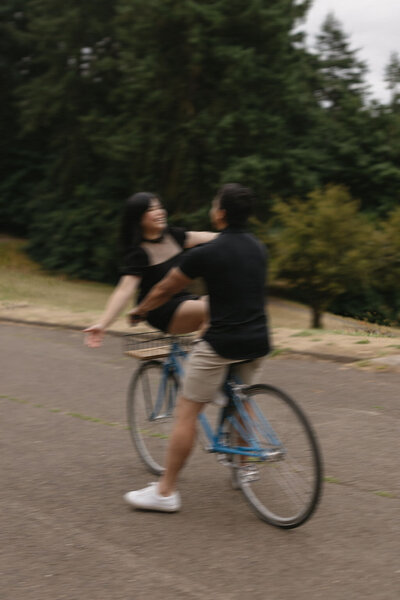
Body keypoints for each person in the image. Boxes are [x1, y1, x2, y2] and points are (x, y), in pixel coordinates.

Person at [124, 183, 270, 512]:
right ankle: (243, 467)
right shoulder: (258, 247)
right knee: (241, 400)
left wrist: (141, 310)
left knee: (186, 414)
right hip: (259, 340)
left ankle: (165, 492)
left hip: (223, 342)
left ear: (220, 214)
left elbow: (165, 288)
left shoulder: (208, 253)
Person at [84, 192, 217, 347]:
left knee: (225, 304)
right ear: (138, 218)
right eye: (151, 209)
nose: (160, 212)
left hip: (185, 300)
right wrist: (103, 324)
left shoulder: (173, 236)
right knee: (212, 309)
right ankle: (198, 364)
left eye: (160, 207)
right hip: (159, 310)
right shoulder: (139, 254)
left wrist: (237, 237)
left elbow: (207, 237)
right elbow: (124, 290)